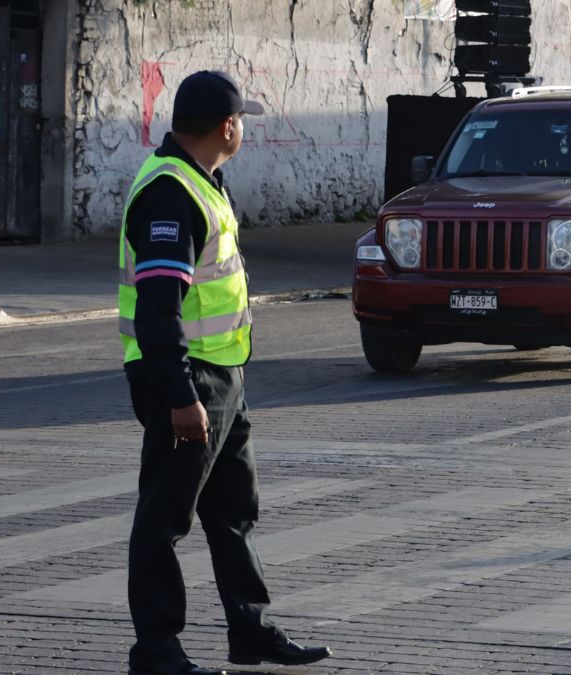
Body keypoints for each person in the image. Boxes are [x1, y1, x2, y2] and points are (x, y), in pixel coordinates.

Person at [118, 70, 332, 675]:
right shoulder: (170, 192)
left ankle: (252, 632)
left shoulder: (202, 181)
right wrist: (182, 397)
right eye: (243, 121)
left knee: (233, 510)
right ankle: (156, 652)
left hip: (223, 378)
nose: (244, 130)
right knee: (163, 520)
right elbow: (159, 310)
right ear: (227, 126)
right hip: (187, 381)